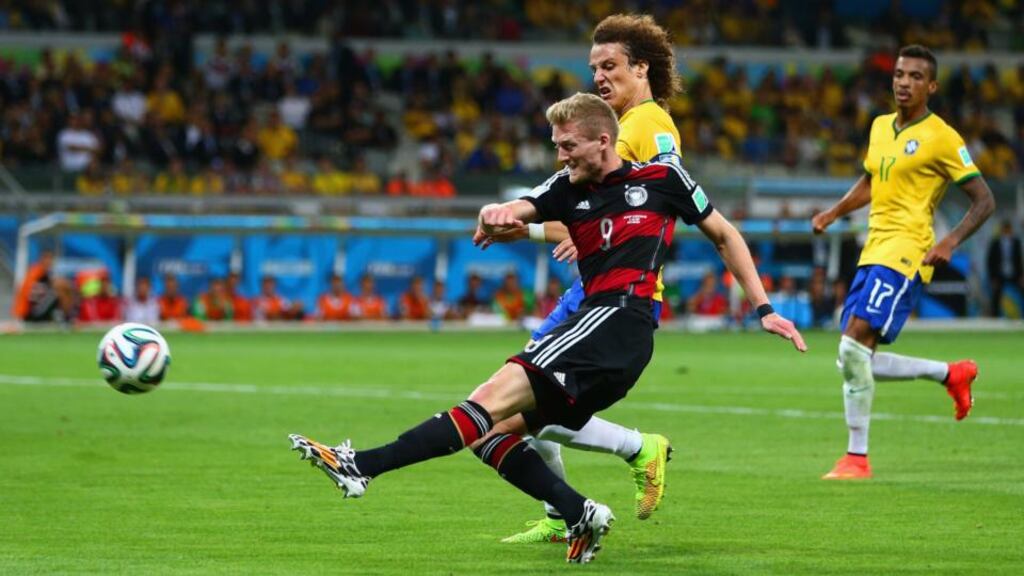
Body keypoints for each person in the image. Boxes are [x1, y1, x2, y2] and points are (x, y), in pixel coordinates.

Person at [289, 93, 806, 564]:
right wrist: (496, 212)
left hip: (619, 320)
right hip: (600, 331)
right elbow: (520, 207)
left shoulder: (664, 180)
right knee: (490, 434)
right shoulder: (565, 187)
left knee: (487, 397)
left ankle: (363, 466)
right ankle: (579, 512)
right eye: (556, 146)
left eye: (568, 146)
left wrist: (764, 309)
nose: (561, 156)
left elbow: (723, 233)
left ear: (604, 141)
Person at [474, 14, 687, 542]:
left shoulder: (649, 124)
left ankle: (636, 450)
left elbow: (665, 200)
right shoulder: (617, 125)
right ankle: (562, 511)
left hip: (616, 294)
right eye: (593, 67)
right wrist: (532, 233)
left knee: (523, 397)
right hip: (593, 287)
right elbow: (590, 212)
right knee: (527, 398)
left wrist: (606, 238)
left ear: (642, 68)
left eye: (610, 65)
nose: (599, 76)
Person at [812, 45, 995, 480]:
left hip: (908, 251)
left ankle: (857, 458)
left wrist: (949, 241)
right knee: (852, 359)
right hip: (873, 249)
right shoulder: (879, 127)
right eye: (898, 74)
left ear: (931, 86)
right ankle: (952, 374)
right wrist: (834, 213)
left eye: (915, 76)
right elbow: (872, 179)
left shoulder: (943, 137)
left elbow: (983, 199)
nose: (903, 82)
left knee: (852, 347)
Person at [985, 219, 1022, 317]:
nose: (1007, 232)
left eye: (1008, 230)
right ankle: (994, 317)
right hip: (999, 275)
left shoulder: (1016, 242)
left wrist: (1021, 276)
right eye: (1005, 230)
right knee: (996, 296)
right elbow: (990, 262)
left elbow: (1019, 260)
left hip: (1014, 274)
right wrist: (992, 278)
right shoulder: (995, 243)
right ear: (1002, 230)